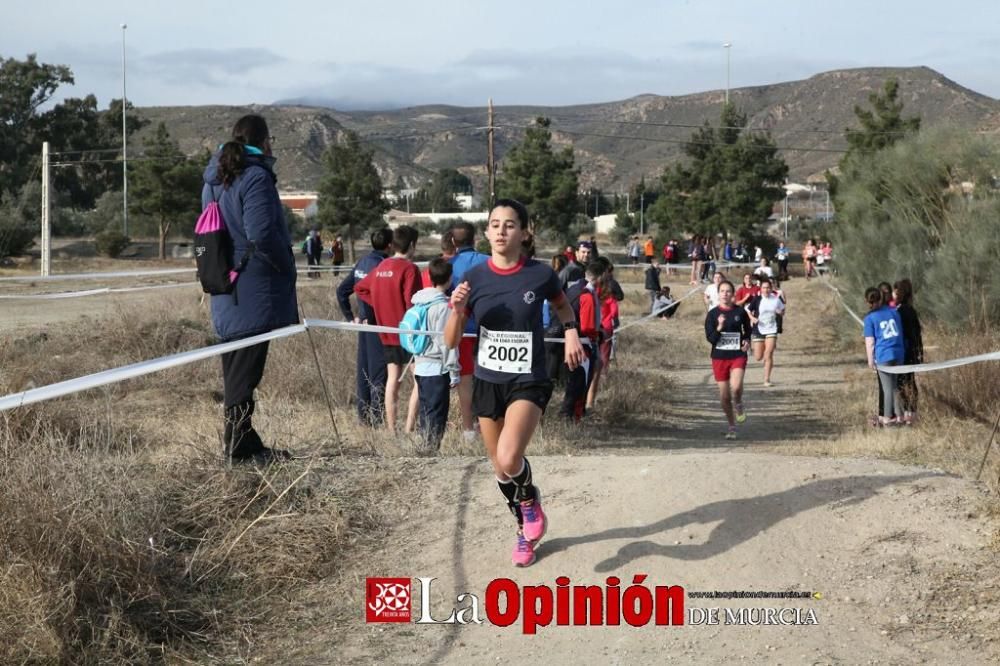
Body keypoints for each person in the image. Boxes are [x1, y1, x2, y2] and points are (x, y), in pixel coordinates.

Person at [444, 199, 585, 568]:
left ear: (523, 232)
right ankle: (524, 530)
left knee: (510, 457)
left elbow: (563, 307)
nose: (502, 231)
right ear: (487, 231)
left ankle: (530, 502)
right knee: (500, 468)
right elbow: (449, 340)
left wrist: (571, 334)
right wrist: (457, 311)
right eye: (495, 224)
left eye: (510, 224)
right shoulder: (473, 279)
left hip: (528, 378)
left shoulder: (539, 275)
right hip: (489, 381)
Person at [201, 114, 296, 464]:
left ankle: (245, 440)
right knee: (245, 374)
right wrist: (285, 266)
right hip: (251, 286)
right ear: (265, 140)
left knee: (237, 368)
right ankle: (237, 451)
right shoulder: (255, 176)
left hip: (225, 281)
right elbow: (261, 235)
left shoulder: (213, 179)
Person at [355, 225, 422, 434]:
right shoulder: (410, 269)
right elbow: (413, 302)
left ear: (392, 244)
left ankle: (392, 430)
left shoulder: (381, 266)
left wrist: (378, 303)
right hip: (408, 333)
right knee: (419, 379)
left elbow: (360, 288)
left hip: (387, 333)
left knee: (392, 379)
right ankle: (409, 428)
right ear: (412, 245)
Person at [337, 227, 392, 427]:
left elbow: (342, 291)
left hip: (363, 326)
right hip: (376, 326)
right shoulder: (384, 266)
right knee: (378, 374)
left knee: (364, 373)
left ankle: (363, 418)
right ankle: (377, 420)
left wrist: (352, 317)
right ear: (389, 245)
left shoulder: (362, 262)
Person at [411, 258, 460, 452]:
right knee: (437, 415)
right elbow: (447, 342)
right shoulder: (443, 308)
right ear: (450, 279)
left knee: (425, 412)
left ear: (429, 277)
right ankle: (430, 451)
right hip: (437, 368)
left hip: (420, 365)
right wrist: (454, 370)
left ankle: (424, 448)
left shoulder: (418, 303)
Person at [449, 222, 491, 439]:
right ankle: (487, 424)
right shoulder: (488, 262)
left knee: (465, 380)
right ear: (474, 239)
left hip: (462, 331)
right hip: (488, 329)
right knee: (488, 378)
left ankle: (468, 429)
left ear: (453, 241)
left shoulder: (448, 265)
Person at [704, 280, 752, 440]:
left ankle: (738, 403)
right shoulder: (712, 314)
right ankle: (732, 425)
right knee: (724, 396)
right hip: (719, 357)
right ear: (718, 294)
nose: (725, 294)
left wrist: (746, 340)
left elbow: (748, 328)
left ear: (733, 294)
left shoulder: (740, 312)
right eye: (722, 291)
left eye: (728, 291)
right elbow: (711, 338)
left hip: (737, 354)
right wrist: (719, 326)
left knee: (736, 387)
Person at [560, 261, 605, 422]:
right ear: (601, 276)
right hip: (583, 344)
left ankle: (571, 415)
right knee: (579, 382)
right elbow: (587, 326)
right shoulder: (587, 294)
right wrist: (598, 333)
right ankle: (570, 415)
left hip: (575, 341)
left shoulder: (575, 288)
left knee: (575, 382)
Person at [863, 286, 905, 427]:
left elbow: (870, 342)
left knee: (887, 389)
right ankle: (900, 416)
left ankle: (888, 418)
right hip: (898, 353)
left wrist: (871, 361)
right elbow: (900, 333)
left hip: (884, 356)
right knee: (895, 387)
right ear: (881, 299)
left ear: (866, 301)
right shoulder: (894, 312)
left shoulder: (869, 318)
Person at [745, 277, 785, 387]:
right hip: (759, 329)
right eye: (764, 288)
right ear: (761, 289)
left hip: (772, 328)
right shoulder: (757, 299)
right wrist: (752, 318)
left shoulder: (776, 299)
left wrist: (780, 312)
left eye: (768, 288)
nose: (766, 290)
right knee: (758, 357)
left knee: (768, 354)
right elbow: (748, 309)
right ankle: (765, 361)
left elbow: (782, 310)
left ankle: (767, 379)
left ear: (771, 288)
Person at [893, 278, 923, 425]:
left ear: (900, 293)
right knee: (910, 381)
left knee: (901, 383)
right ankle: (913, 412)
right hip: (912, 351)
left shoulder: (899, 311)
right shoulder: (912, 310)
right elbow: (918, 334)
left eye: (895, 291)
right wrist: (919, 352)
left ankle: (907, 412)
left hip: (903, 352)